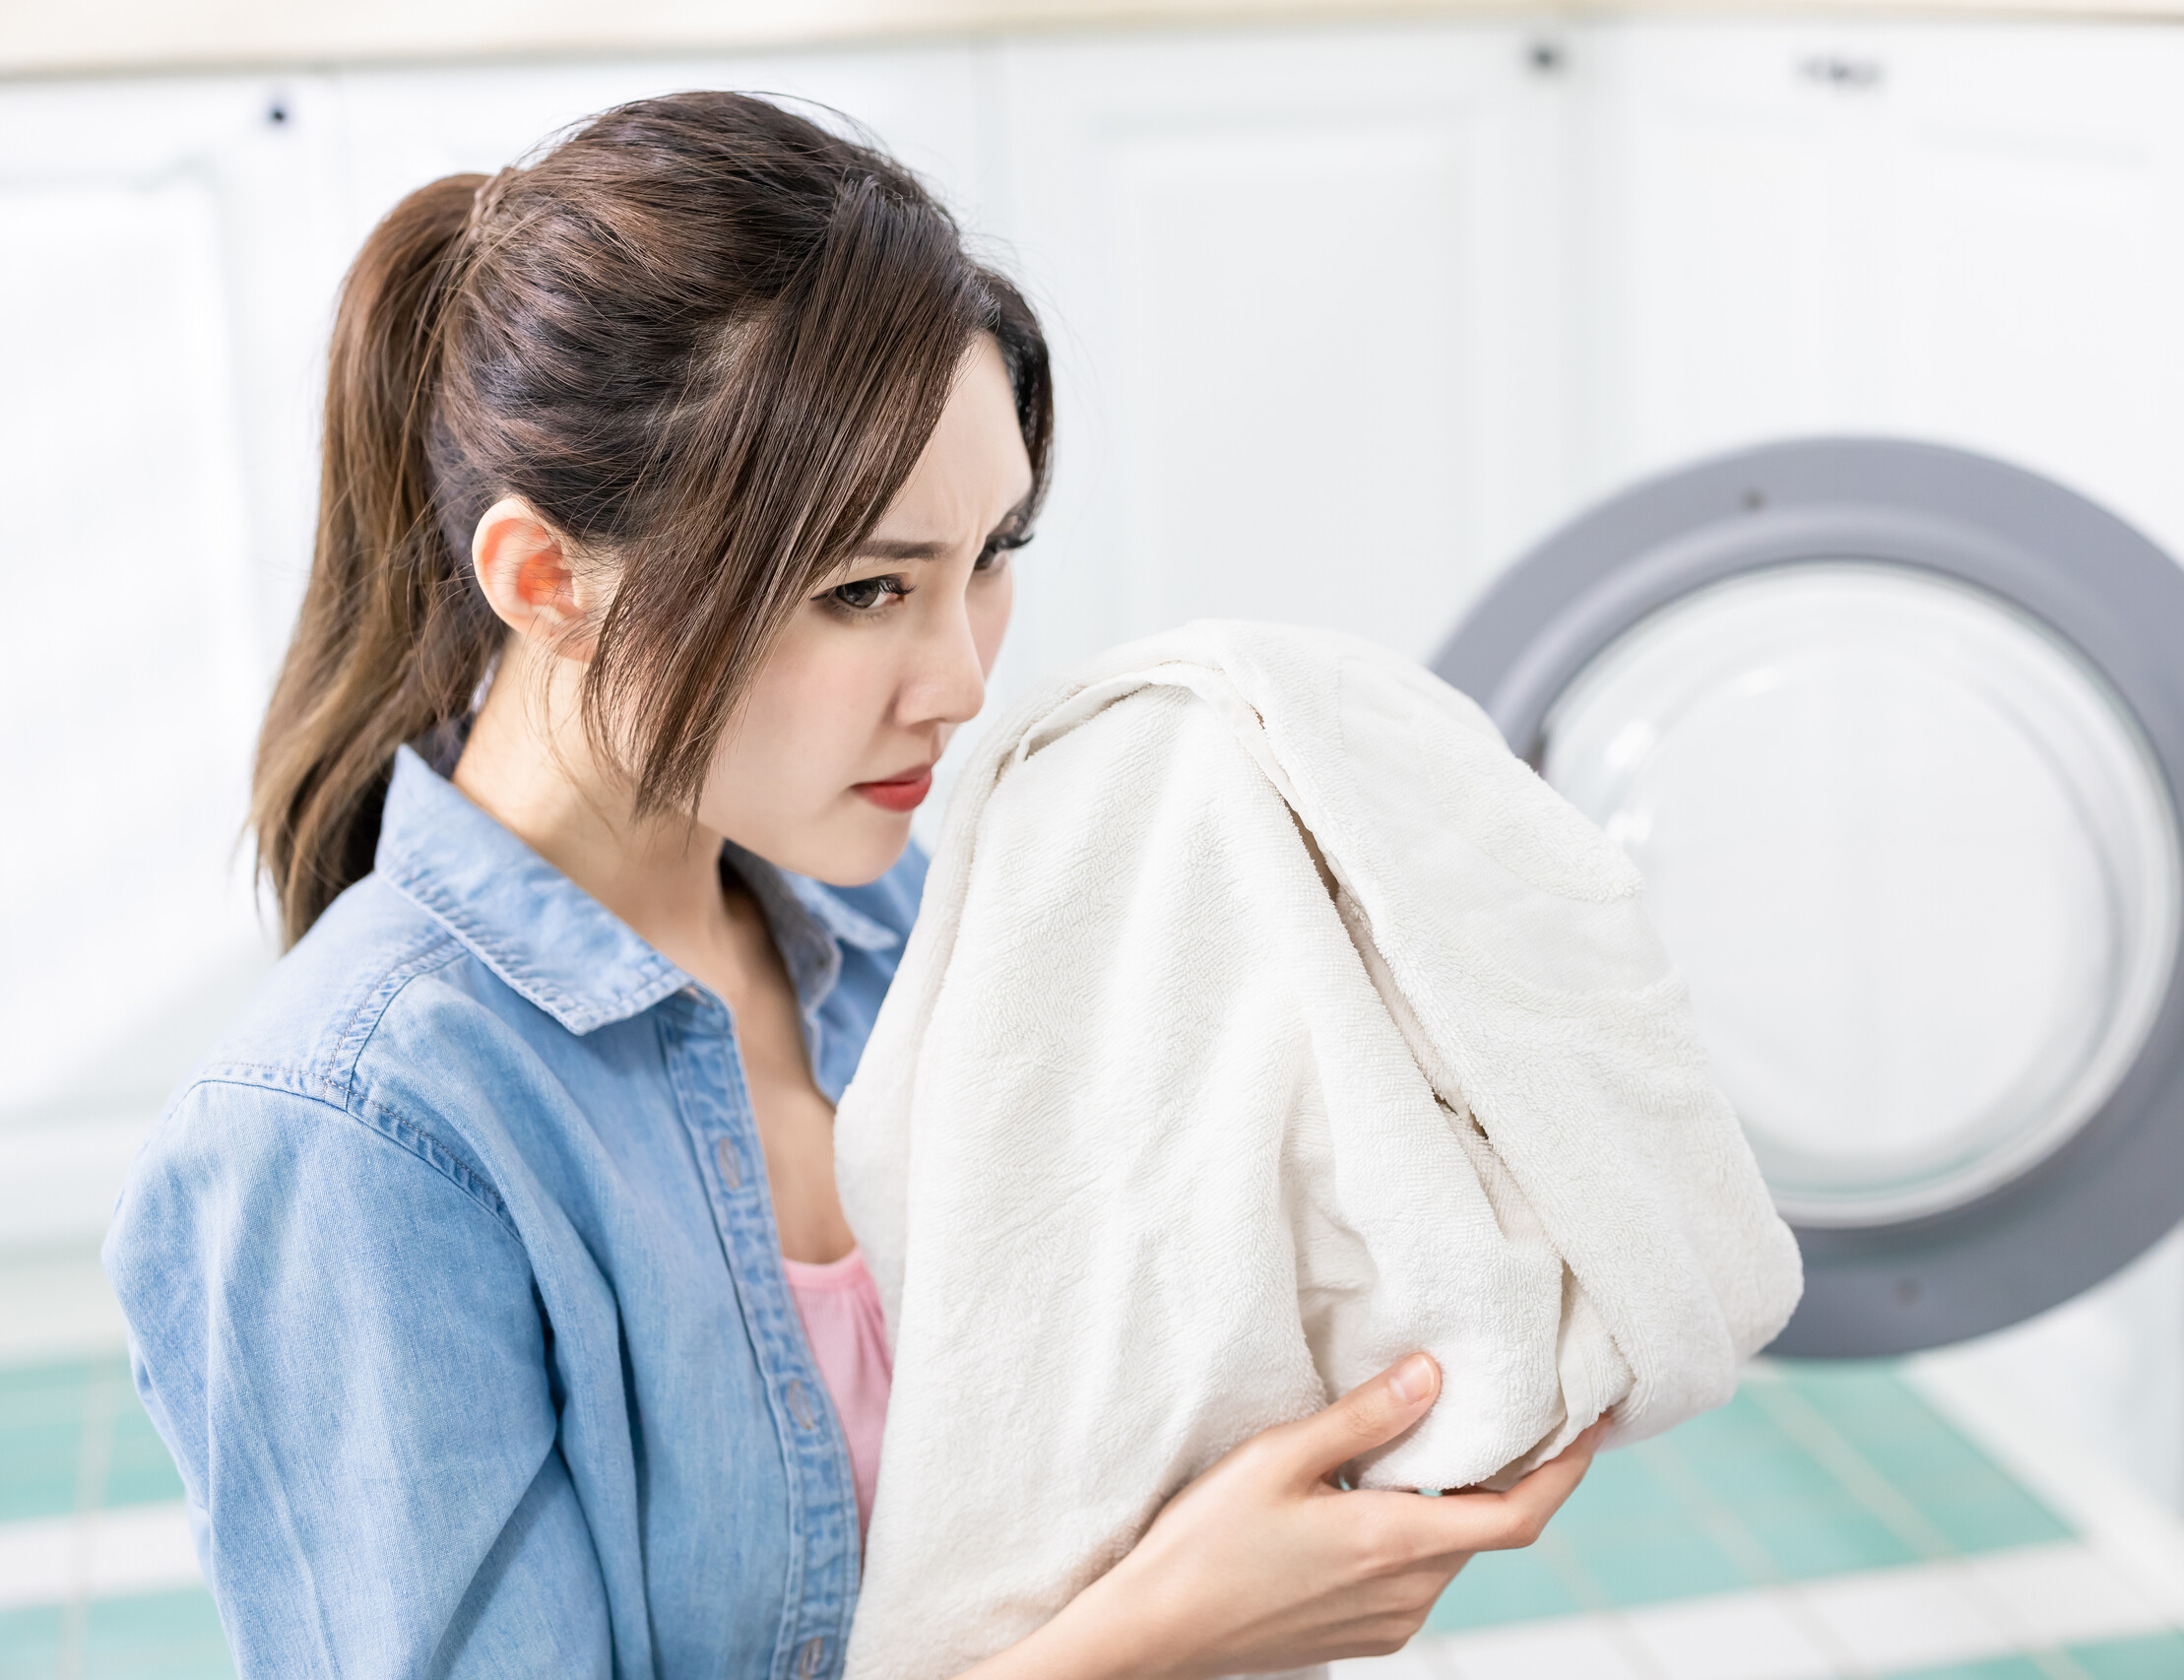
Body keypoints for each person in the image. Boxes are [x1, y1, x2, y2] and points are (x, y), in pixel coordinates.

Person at [102, 91, 1599, 1678]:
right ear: (550, 585)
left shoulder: (910, 930)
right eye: (864, 588)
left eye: (992, 556)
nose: (957, 680)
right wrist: (1154, 1635)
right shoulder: (354, 1137)